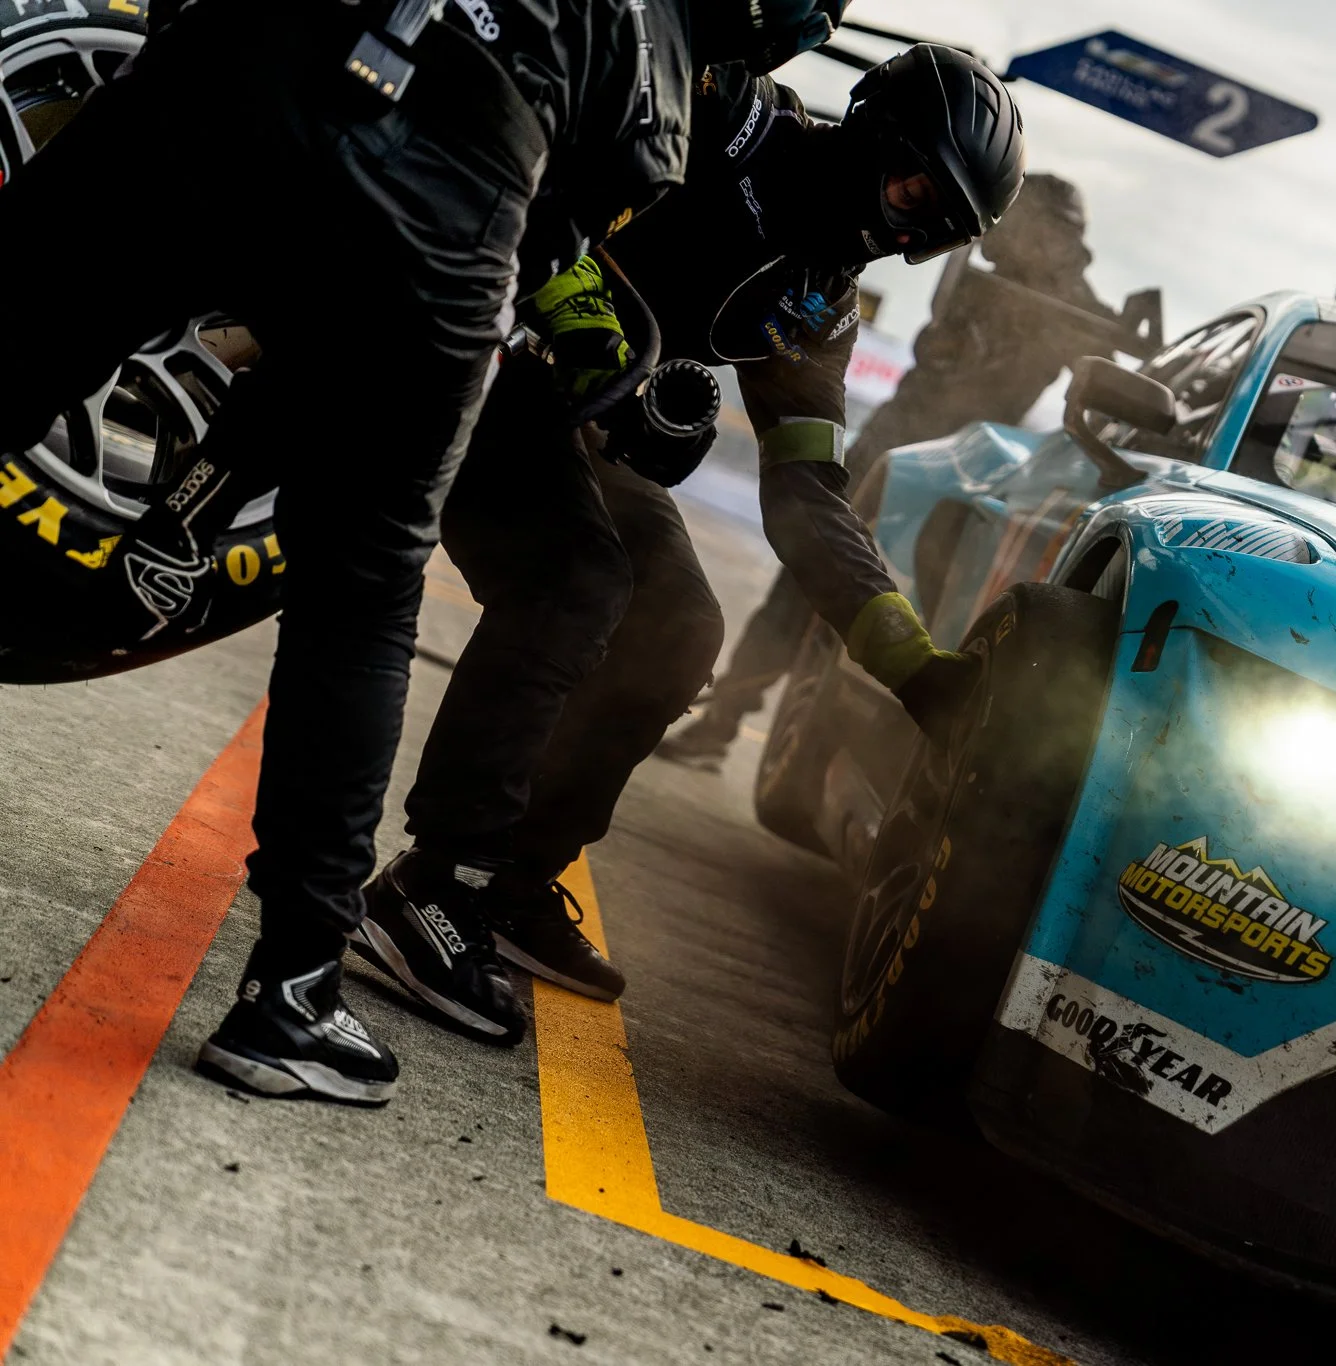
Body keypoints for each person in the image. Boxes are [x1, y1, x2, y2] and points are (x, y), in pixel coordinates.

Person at [0, 0, 842, 1105]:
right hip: (452, 169)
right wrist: (597, 339)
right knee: (363, 586)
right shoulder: (674, 77)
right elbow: (553, 234)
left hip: (234, 66)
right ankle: (292, 990)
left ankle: (191, 512)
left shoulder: (811, 271)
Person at [344, 44, 1025, 1038]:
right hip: (468, 349)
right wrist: (588, 340)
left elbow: (805, 500)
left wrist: (917, 670)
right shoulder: (725, 118)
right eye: (917, 189)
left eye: (936, 231)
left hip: (572, 416)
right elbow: (534, 172)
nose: (907, 228)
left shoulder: (815, 308)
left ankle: (513, 879)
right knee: (576, 581)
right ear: (876, 130)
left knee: (682, 622)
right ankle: (433, 883)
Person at [670, 171, 1121, 762]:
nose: (1005, 236)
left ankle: (828, 746)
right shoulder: (984, 279)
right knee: (808, 573)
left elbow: (1106, 388)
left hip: (959, 475)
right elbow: (936, 349)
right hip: (895, 442)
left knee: (902, 607)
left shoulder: (1076, 307)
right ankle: (723, 720)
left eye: (1024, 228)